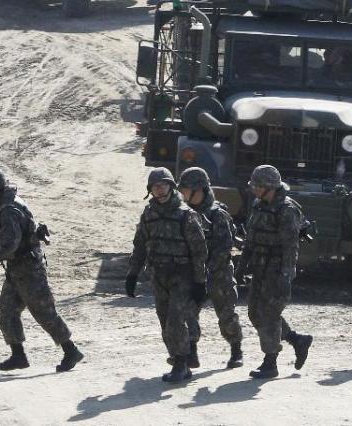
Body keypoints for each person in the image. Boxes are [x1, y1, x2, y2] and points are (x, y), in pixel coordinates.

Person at [0, 167, 84, 373]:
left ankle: (71, 351)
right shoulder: (7, 204)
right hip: (17, 270)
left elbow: (11, 243)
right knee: (6, 311)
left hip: (29, 270)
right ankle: (18, 356)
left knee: (44, 313)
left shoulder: (9, 209)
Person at [126, 168, 209, 383]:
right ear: (150, 190)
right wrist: (132, 273)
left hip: (183, 276)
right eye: (155, 186)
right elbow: (140, 245)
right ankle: (182, 356)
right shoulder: (148, 214)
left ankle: (181, 364)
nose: (159, 189)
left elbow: (199, 251)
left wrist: (200, 281)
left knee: (175, 320)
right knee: (164, 320)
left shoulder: (186, 215)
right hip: (159, 276)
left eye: (163, 185)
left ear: (171, 187)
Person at [240, 164, 313, 379]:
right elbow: (251, 239)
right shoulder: (258, 205)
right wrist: (242, 265)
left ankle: (270, 362)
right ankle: (296, 339)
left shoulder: (287, 210)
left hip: (277, 269)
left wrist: (286, 275)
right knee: (255, 313)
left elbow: (291, 246)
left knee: (269, 314)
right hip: (260, 267)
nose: (253, 189)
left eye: (257, 186)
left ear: (269, 187)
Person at [178, 167, 244, 369]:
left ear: (199, 190)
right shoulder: (185, 213)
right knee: (188, 312)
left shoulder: (217, 214)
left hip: (219, 273)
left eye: (187, 190)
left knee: (226, 314)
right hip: (194, 273)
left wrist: (208, 270)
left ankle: (236, 350)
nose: (183, 194)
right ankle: (191, 352)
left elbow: (224, 248)